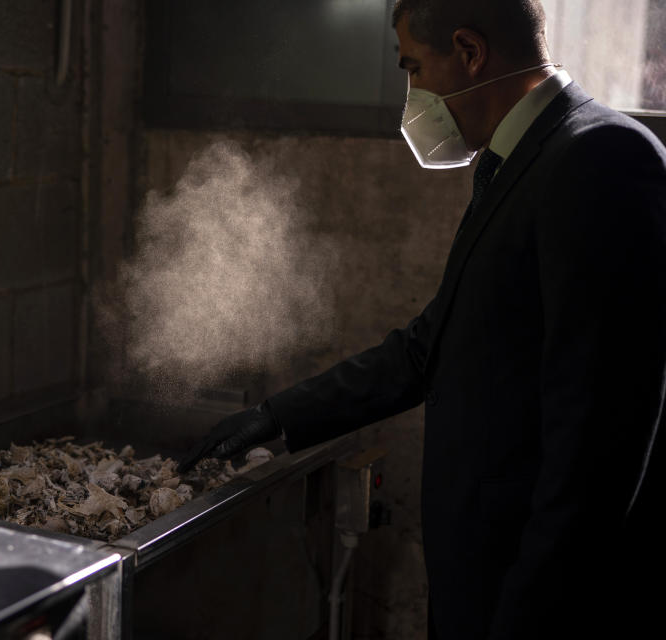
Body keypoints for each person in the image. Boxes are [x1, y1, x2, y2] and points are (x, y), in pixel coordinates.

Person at [178, 1, 666, 638]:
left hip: (532, 598)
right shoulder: (517, 163)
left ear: (469, 52)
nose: (411, 95)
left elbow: (600, 445)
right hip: (479, 578)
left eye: (414, 68)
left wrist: (528, 614)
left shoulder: (601, 159)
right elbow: (428, 347)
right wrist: (275, 418)